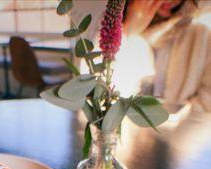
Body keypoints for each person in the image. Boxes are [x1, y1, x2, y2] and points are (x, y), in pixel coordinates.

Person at [72, 0, 211, 112]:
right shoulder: (104, 24)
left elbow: (206, 107)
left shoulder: (202, 34)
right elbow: (95, 98)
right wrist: (127, 32)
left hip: (174, 141)